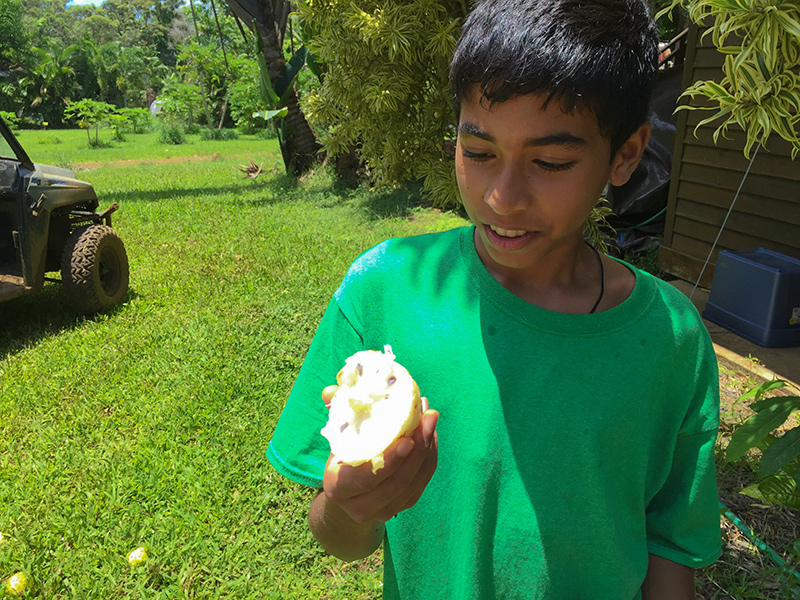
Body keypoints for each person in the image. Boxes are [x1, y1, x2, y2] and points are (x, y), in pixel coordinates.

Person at [266, 0, 722, 597]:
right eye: (478, 153)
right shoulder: (386, 289)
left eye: (551, 161)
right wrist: (355, 507)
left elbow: (668, 544)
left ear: (626, 153)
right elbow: (340, 539)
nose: (502, 197)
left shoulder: (671, 339)